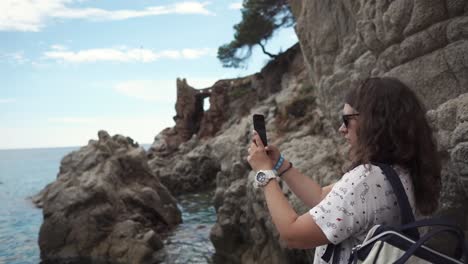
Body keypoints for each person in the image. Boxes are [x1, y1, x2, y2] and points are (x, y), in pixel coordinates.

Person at [247, 77, 441, 263]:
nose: (341, 128)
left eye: (347, 119)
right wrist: (279, 164)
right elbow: (321, 196)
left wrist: (264, 173)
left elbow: (292, 234)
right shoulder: (402, 169)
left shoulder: (364, 180)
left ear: (375, 122)